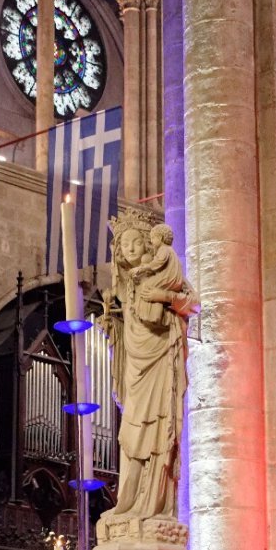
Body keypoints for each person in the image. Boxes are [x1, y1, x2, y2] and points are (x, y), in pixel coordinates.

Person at [100, 214, 196, 520]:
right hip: (135, 369)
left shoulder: (165, 273)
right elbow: (128, 325)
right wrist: (111, 324)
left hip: (159, 361)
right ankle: (129, 502)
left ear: (147, 244)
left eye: (134, 241)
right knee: (130, 433)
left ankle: (153, 507)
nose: (128, 248)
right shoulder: (123, 288)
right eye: (123, 244)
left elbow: (193, 303)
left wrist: (162, 296)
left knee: (157, 433)